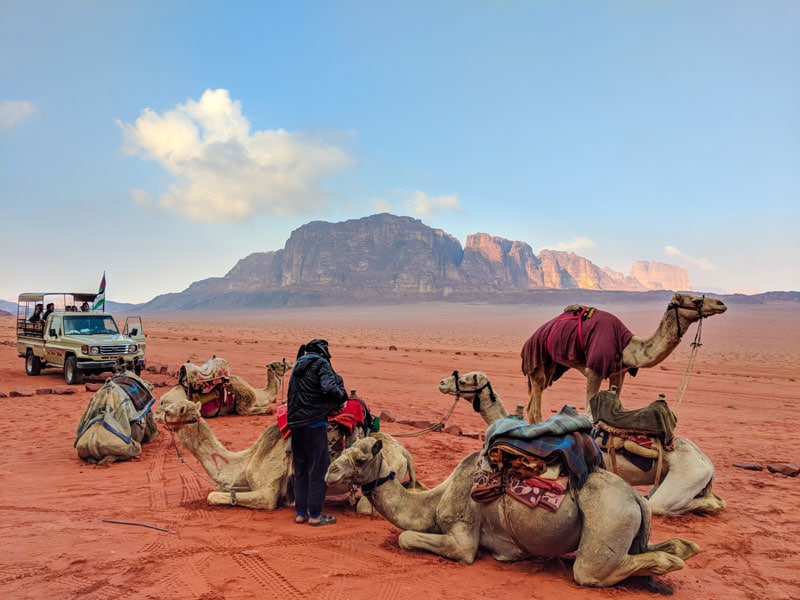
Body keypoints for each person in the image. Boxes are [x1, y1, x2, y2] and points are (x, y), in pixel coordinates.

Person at [286, 338, 347, 526]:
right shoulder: (321, 364)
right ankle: (315, 515)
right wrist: (342, 395)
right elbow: (329, 387)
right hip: (314, 424)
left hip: (296, 425)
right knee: (318, 469)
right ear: (323, 352)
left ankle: (300, 513)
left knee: (301, 469)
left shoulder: (297, 367)